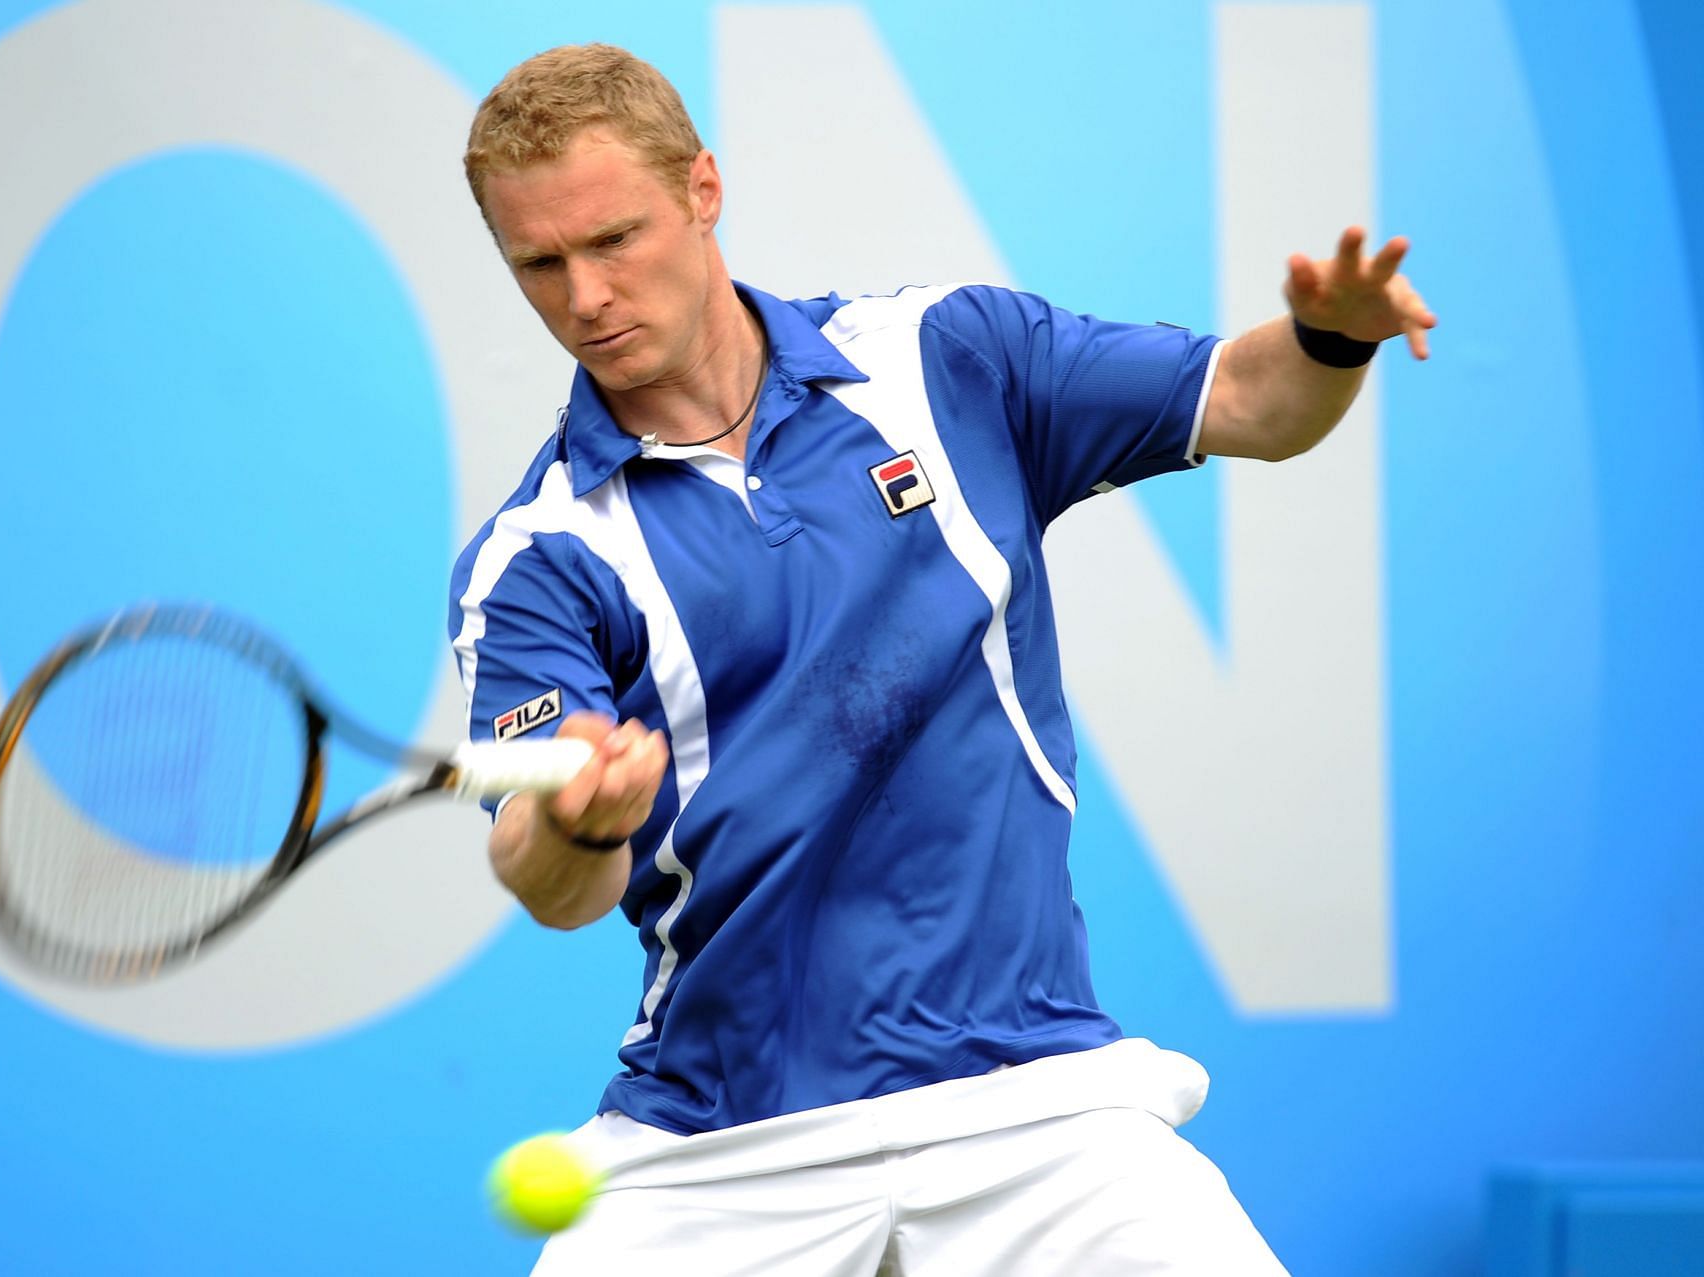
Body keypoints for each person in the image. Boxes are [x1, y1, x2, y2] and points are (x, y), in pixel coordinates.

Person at [449, 42, 1434, 1276]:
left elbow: (1250, 400)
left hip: (1033, 1104)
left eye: (615, 240)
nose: (585, 295)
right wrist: (585, 821)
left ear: (703, 188)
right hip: (719, 1143)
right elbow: (549, 882)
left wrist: (1330, 339)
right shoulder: (536, 555)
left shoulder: (942, 359)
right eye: (540, 263)